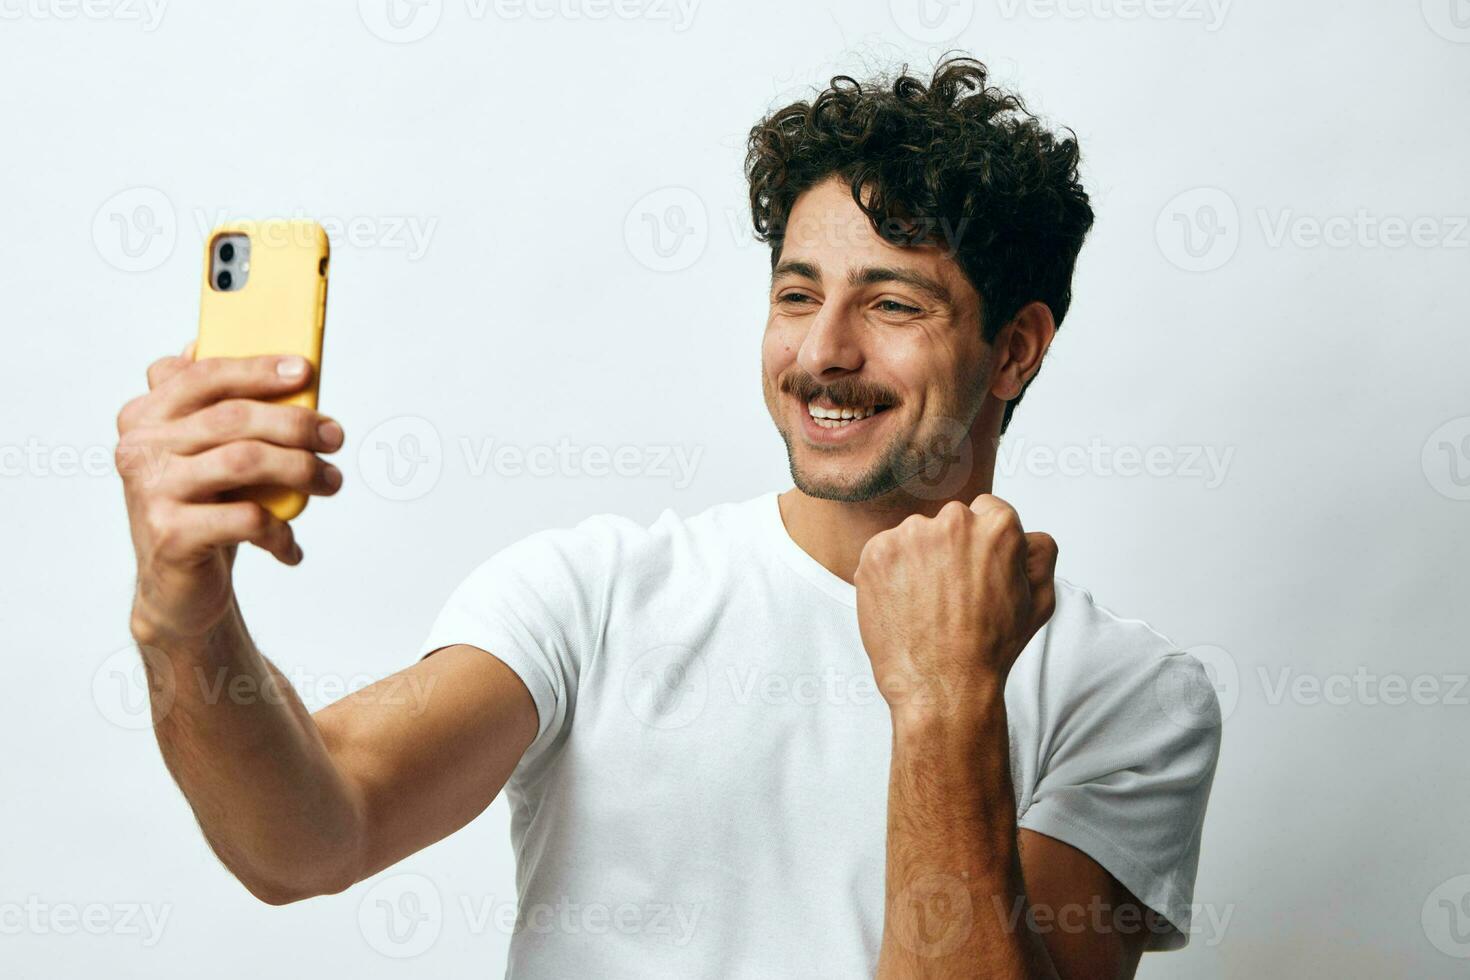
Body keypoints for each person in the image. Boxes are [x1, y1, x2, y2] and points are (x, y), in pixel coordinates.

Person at [114, 56, 1221, 979]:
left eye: (890, 302)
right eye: (796, 293)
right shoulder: (593, 592)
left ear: (1016, 347)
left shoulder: (1126, 693)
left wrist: (945, 700)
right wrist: (182, 616)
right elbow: (310, 835)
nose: (822, 350)